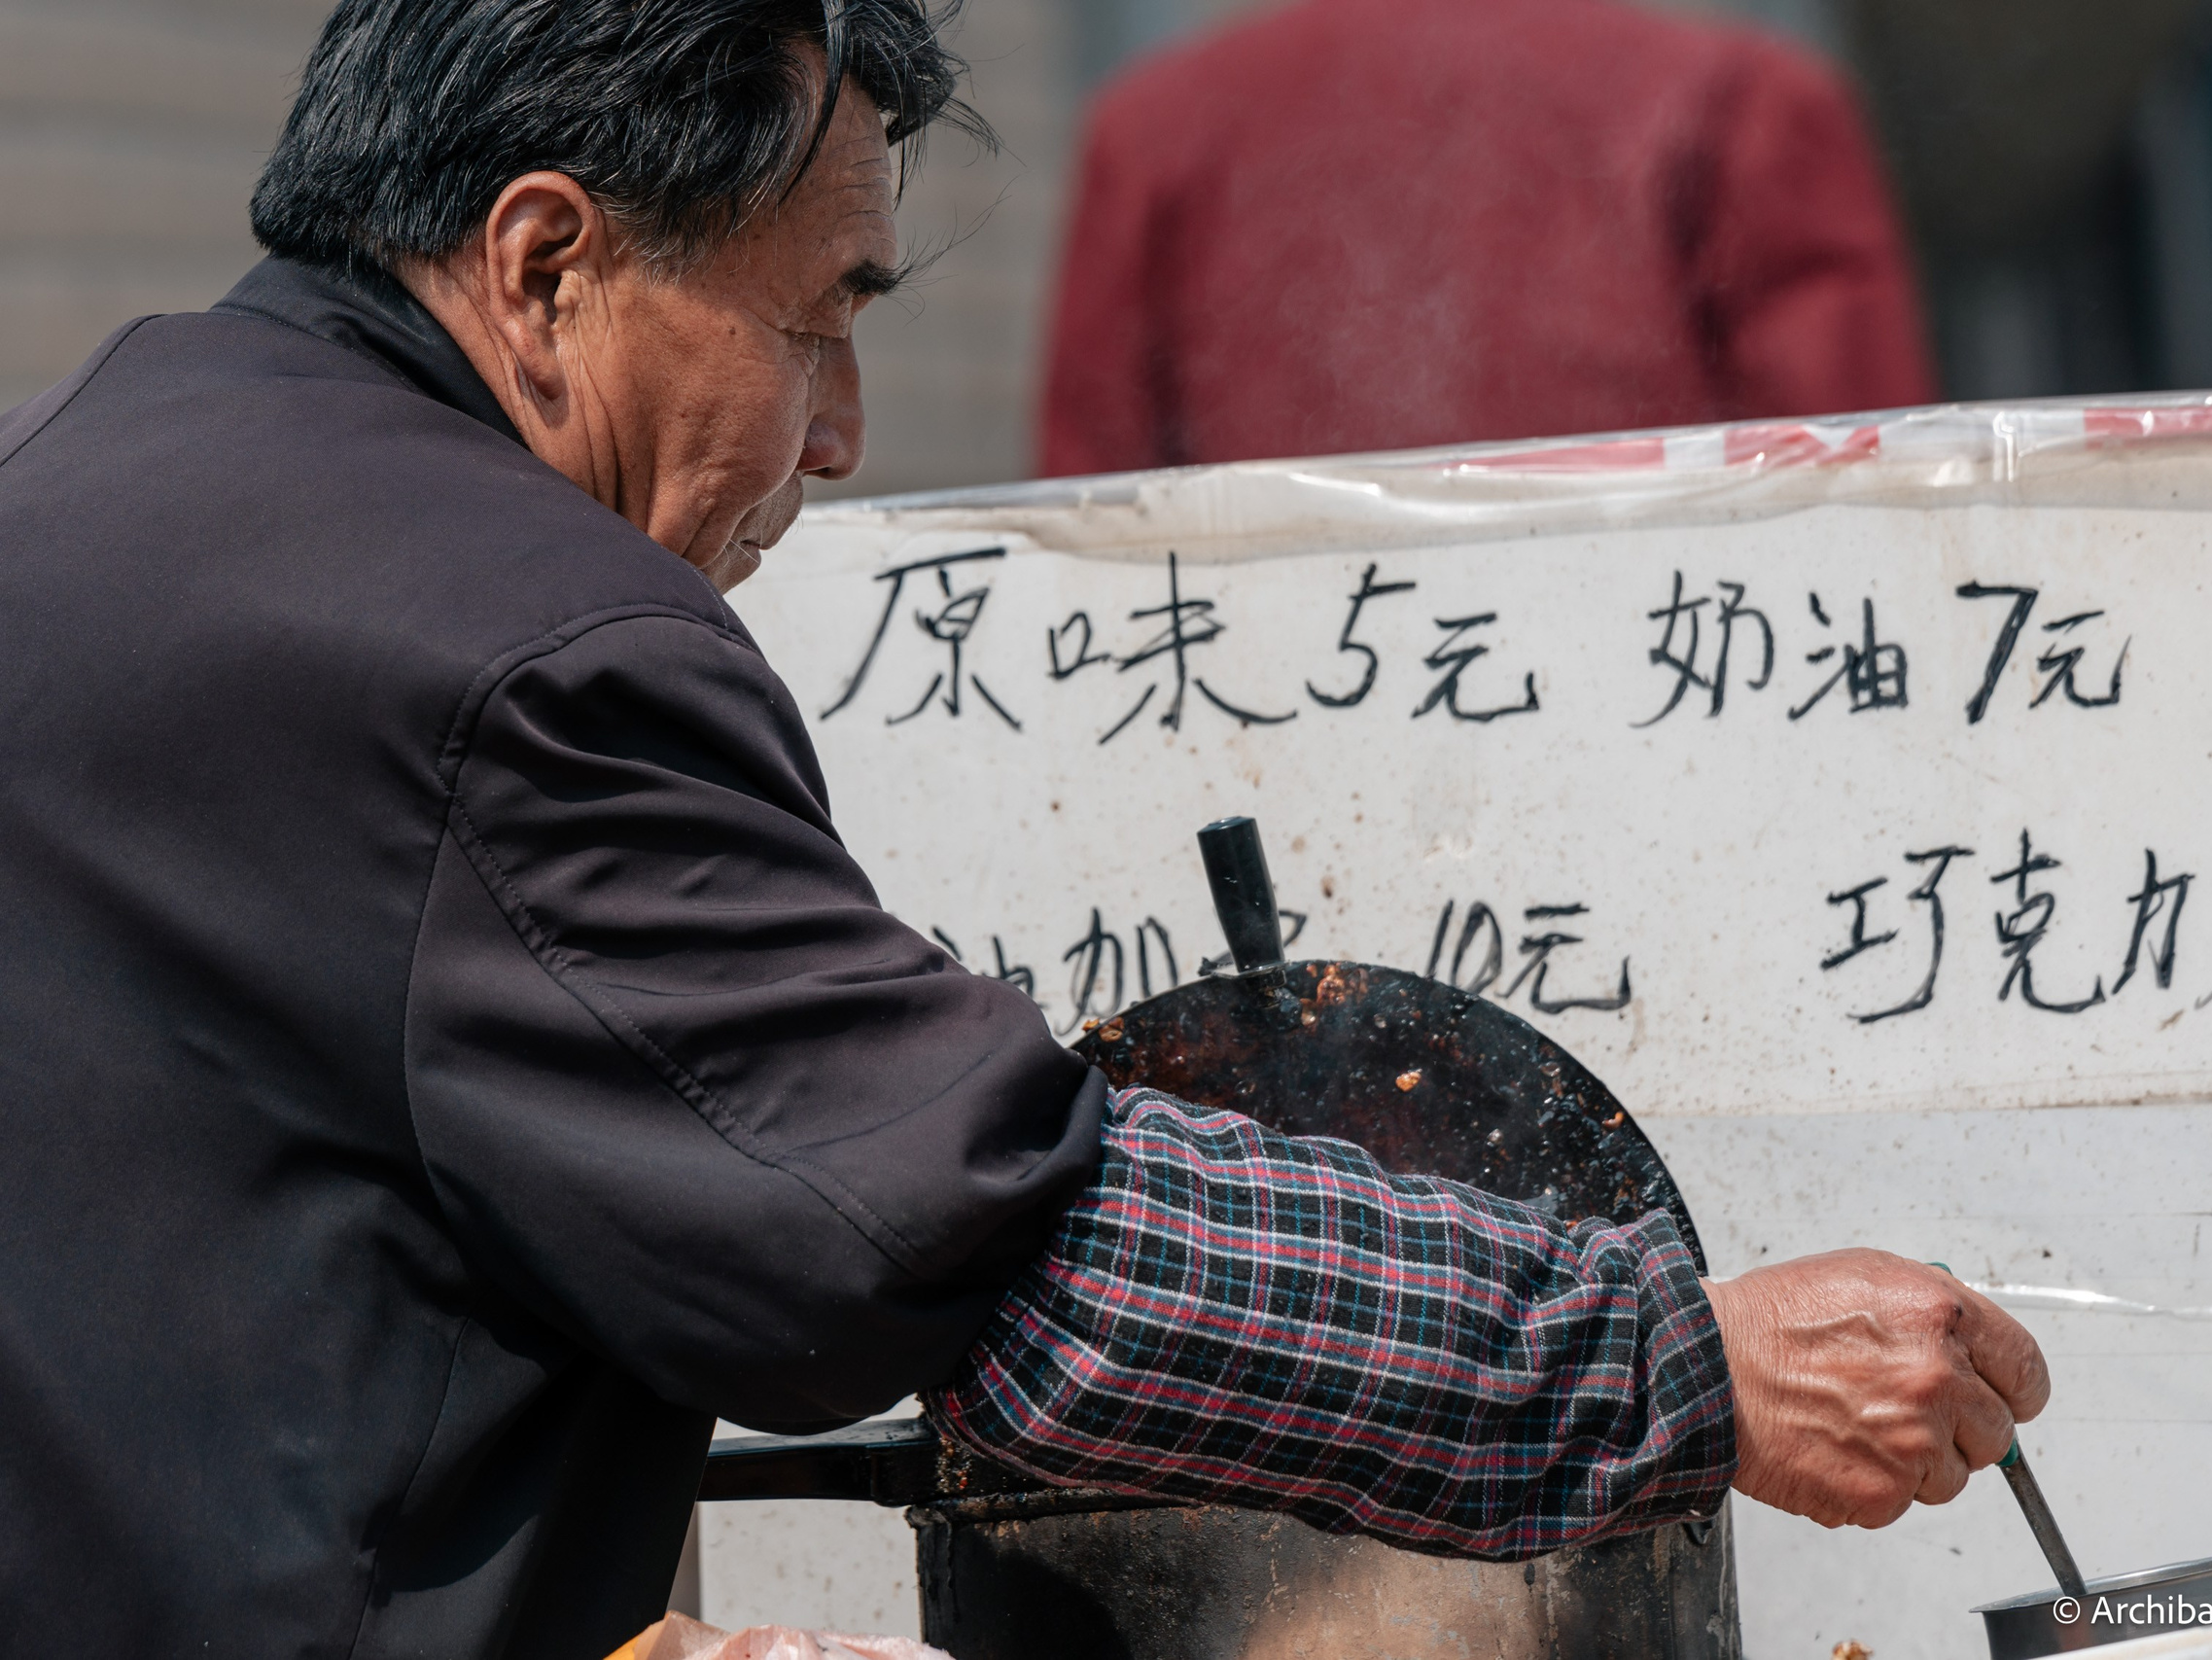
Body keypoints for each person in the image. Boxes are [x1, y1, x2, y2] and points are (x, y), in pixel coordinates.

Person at [0, 2, 2042, 1656]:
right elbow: (977, 1252)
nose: (841, 431)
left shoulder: (77, 481)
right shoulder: (525, 643)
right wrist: (1675, 1365)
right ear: (546, 267)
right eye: (814, 317)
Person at [1039, 0, 1938, 476]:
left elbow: (1083, 526)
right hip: (1671, 728)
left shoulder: (1156, 130)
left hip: (1272, 749)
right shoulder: (1745, 103)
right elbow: (1870, 496)